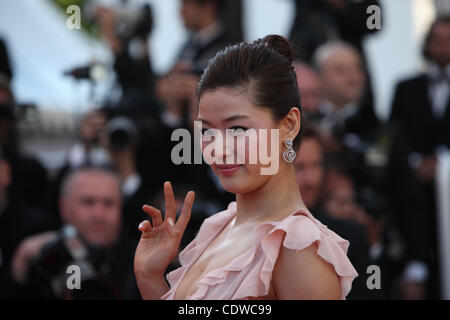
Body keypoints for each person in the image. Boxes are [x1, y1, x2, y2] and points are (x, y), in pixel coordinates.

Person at [134, 35, 358, 300]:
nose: (218, 148)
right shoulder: (219, 227)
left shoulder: (297, 246)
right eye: (206, 131)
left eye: (237, 129)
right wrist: (149, 277)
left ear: (289, 125)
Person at [10, 166, 139, 299]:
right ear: (63, 207)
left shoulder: (142, 261)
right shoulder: (45, 258)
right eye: (88, 202)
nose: (99, 214)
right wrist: (20, 266)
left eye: (108, 203)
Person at [389, 16, 450, 299]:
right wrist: (414, 163)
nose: (442, 48)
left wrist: (444, 164)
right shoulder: (406, 88)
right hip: (413, 193)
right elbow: (394, 135)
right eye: (436, 40)